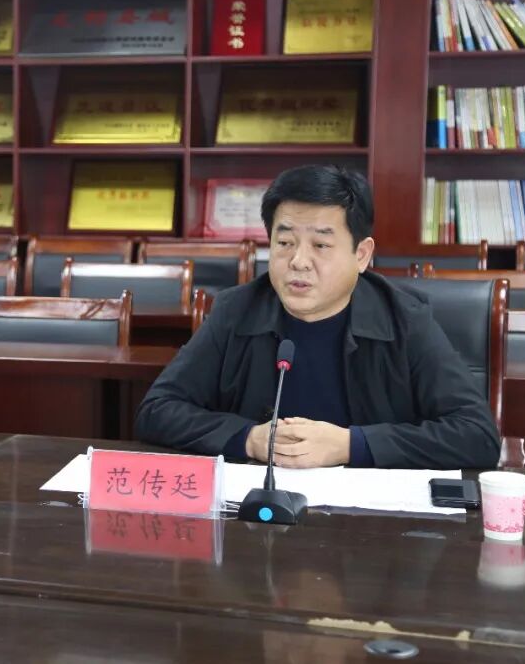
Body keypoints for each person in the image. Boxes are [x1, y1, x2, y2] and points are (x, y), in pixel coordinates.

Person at [135, 164, 500, 469]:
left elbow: (478, 435)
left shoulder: (405, 320)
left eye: (321, 245)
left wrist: (351, 445)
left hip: (369, 521)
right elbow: (157, 410)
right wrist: (249, 439)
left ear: (361, 255)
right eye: (285, 243)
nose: (298, 261)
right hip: (258, 513)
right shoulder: (236, 311)